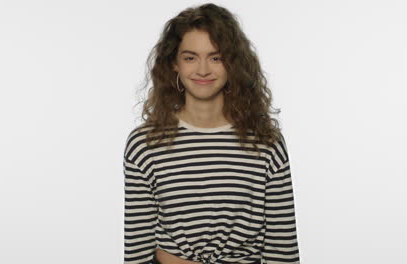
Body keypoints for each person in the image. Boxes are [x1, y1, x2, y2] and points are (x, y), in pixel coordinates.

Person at [124, 3, 300, 264]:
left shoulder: (266, 143)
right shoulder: (145, 144)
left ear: (233, 64)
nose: (203, 70)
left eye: (216, 58)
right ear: (174, 63)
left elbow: (283, 250)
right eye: (190, 57)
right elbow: (137, 250)